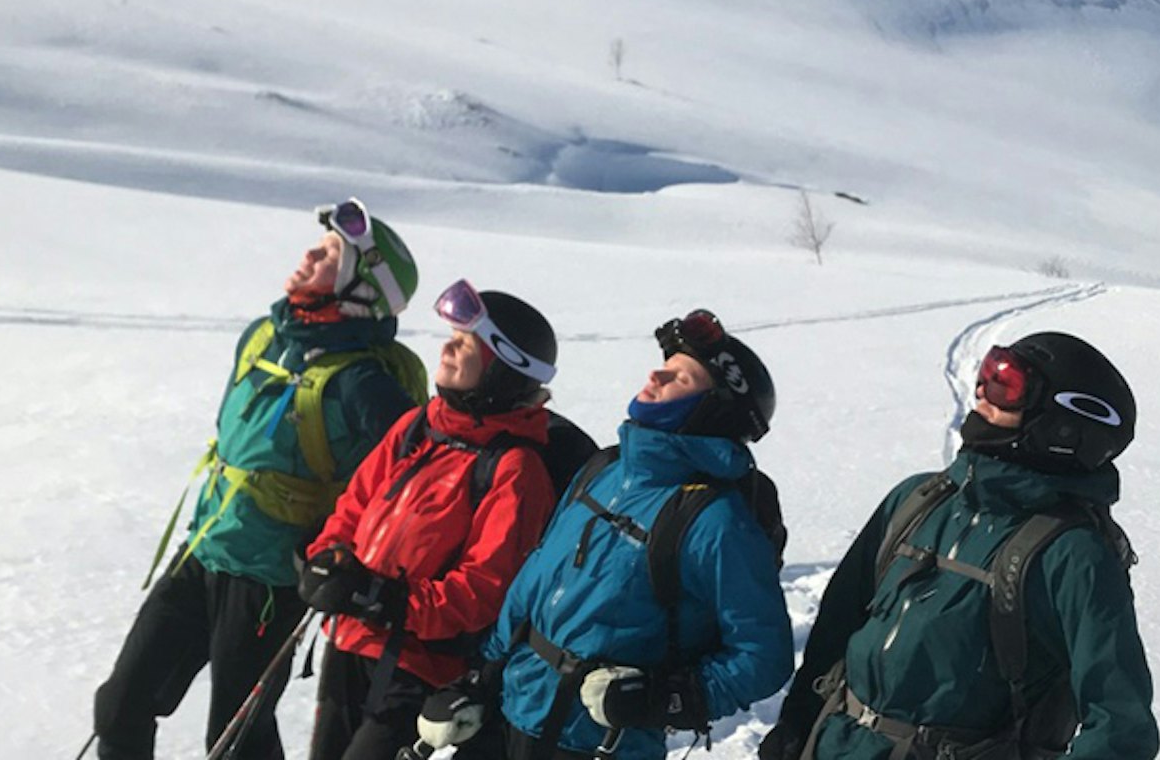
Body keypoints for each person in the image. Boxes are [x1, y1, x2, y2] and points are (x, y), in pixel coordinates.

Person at [93, 198, 426, 760]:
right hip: (204, 550)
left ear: (359, 288)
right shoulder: (262, 337)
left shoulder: (364, 386)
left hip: (271, 583)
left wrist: (347, 558)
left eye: (328, 255)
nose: (308, 255)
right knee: (122, 702)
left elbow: (411, 488)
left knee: (235, 739)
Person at [759, 331, 1159, 760]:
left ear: (1061, 426)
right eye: (986, 374)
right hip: (836, 744)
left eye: (1007, 384)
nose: (984, 391)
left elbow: (1122, 726)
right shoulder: (918, 501)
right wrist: (797, 724)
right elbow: (836, 628)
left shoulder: (1072, 554)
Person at [416, 309, 793, 760]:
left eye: (681, 376)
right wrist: (481, 677)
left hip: (599, 745)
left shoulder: (716, 521)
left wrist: (664, 698)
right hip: (510, 716)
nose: (656, 373)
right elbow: (534, 582)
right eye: (664, 364)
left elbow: (763, 655)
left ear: (711, 411)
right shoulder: (605, 469)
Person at [299, 279, 563, 760]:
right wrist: (329, 557)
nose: (447, 347)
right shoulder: (418, 426)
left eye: (465, 343)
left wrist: (386, 599)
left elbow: (484, 591)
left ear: (503, 369)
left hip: (415, 667)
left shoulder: (515, 470)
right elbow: (354, 506)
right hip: (350, 641)